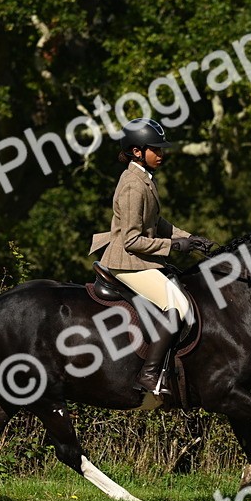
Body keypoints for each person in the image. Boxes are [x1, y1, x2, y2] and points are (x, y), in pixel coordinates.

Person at [88, 118, 213, 395]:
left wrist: (189, 239)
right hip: (127, 263)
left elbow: (158, 223)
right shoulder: (133, 185)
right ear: (137, 152)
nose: (162, 154)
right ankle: (149, 374)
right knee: (178, 304)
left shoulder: (143, 179)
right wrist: (173, 247)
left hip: (139, 260)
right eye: (156, 149)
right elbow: (132, 240)